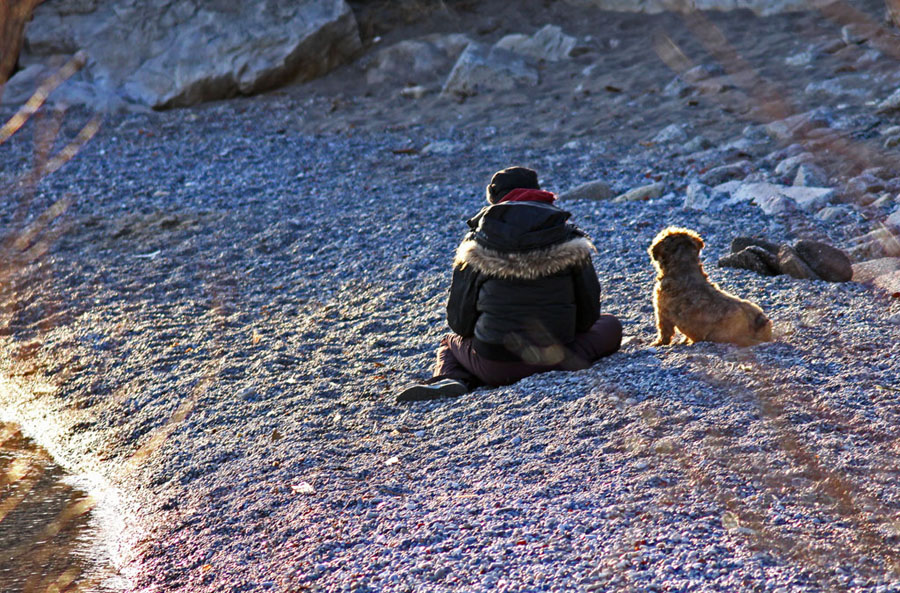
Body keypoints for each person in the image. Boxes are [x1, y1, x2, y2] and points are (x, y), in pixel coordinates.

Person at [397, 166, 623, 402]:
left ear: (494, 198)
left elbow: (459, 323)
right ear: (537, 191)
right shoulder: (568, 234)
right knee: (611, 324)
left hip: (496, 366)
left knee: (449, 343)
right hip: (558, 357)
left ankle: (452, 379)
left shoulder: (476, 242)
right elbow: (588, 315)